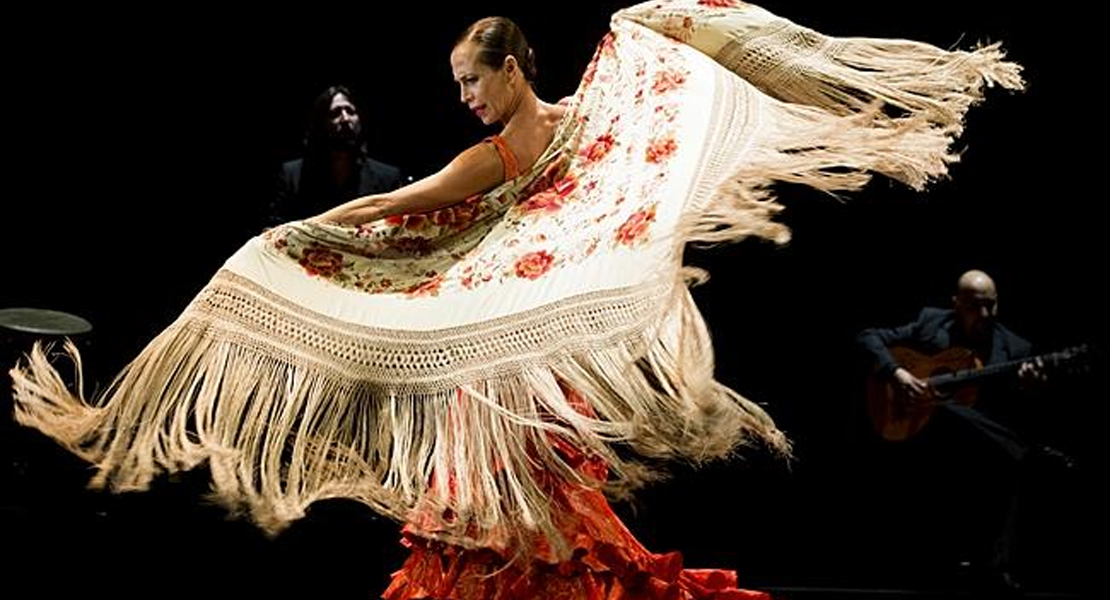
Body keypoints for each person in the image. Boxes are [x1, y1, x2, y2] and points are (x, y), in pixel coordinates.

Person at [9, 2, 1024, 598]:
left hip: (546, 358)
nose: (461, 94)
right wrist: (299, 235)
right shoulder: (487, 156)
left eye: (469, 78)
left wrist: (666, 32)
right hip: (491, 363)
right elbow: (402, 202)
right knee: (484, 516)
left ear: (511, 67)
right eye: (454, 83)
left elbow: (658, 89)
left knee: (554, 515)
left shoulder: (596, 115)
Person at [855, 269, 1078, 596]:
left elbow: (1020, 413)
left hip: (979, 448)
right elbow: (867, 337)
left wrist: (1033, 389)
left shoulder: (1015, 349)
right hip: (924, 433)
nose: (985, 315)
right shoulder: (932, 323)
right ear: (956, 304)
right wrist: (898, 373)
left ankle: (992, 563)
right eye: (975, 306)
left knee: (968, 423)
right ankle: (1029, 455)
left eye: (991, 306)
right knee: (945, 408)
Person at [268, 84, 406, 227]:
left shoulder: (388, 177)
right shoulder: (292, 175)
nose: (345, 119)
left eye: (351, 111)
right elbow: (275, 229)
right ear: (320, 123)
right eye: (335, 113)